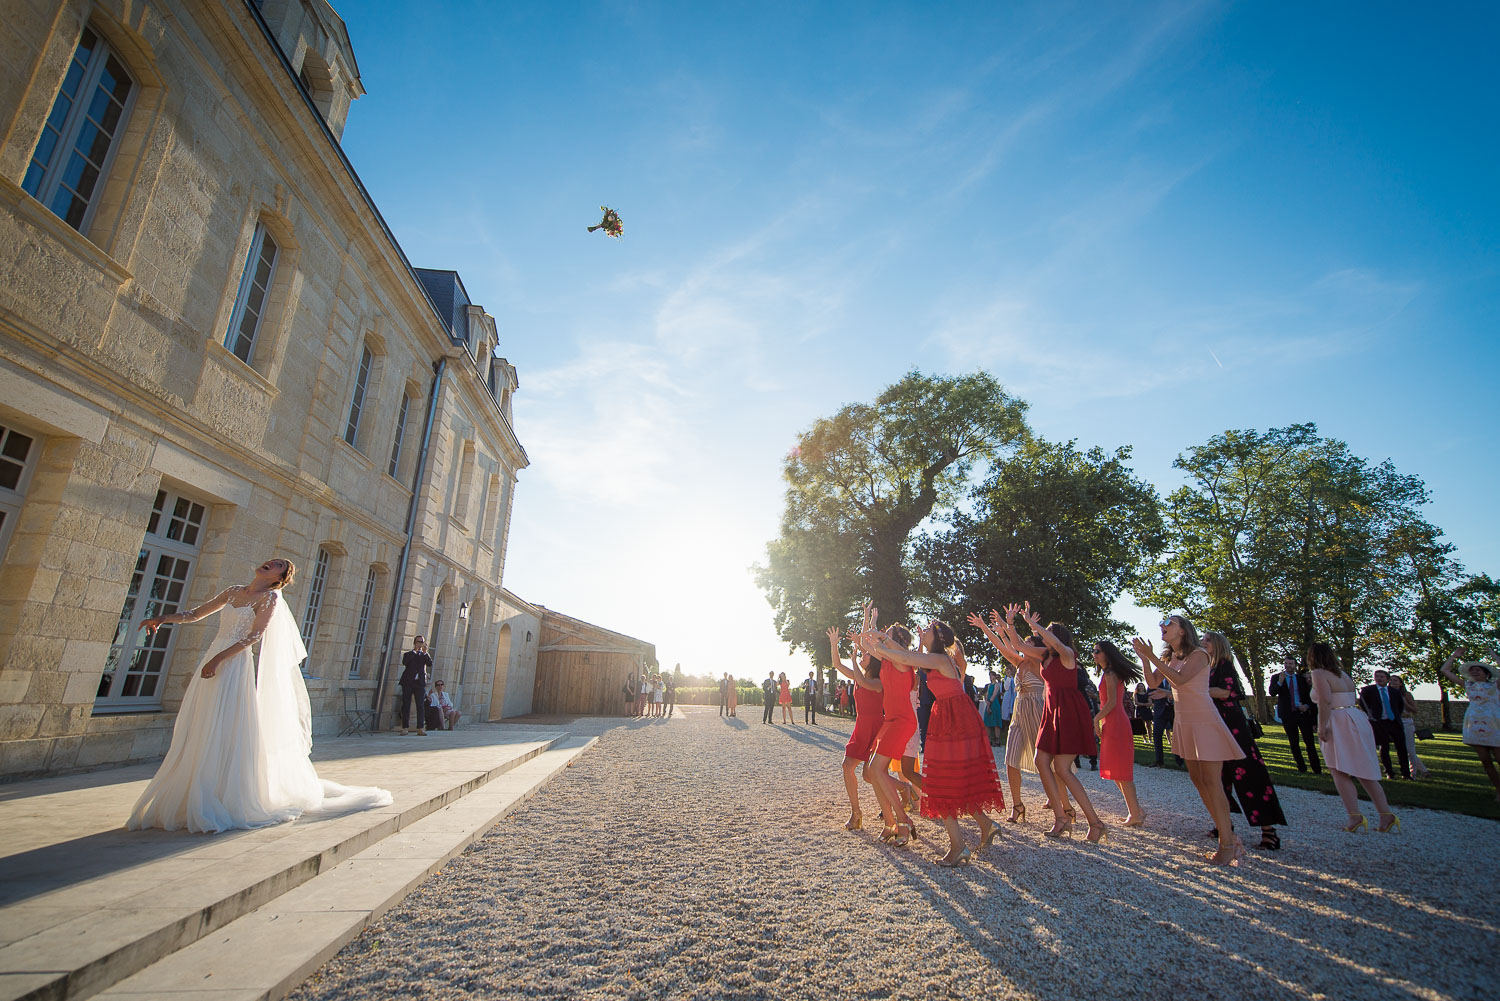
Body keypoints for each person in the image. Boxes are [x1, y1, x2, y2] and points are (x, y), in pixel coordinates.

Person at [129, 559, 392, 832]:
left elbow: (254, 636)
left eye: (277, 565)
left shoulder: (269, 600)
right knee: (202, 721)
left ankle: (226, 793)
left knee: (225, 724)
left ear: (280, 578)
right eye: (271, 560)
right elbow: (196, 614)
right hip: (214, 655)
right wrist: (162, 618)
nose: (270, 563)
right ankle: (197, 788)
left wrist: (218, 659)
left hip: (232, 663)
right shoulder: (232, 591)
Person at [860, 619, 1001, 866]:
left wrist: (880, 644)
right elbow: (905, 654)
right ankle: (986, 825)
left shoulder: (939, 659)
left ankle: (958, 847)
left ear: (936, 637)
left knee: (940, 782)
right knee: (953, 781)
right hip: (949, 716)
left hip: (954, 719)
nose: (922, 632)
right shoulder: (934, 658)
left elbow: (904, 659)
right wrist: (881, 638)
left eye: (927, 630)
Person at [1132, 615, 1245, 866]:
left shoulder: (1199, 654)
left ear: (1182, 631)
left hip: (1203, 720)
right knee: (1198, 779)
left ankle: (1226, 843)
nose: (1163, 626)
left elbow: (1180, 681)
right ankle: (1228, 833)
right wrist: (1144, 658)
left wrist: (1151, 657)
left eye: (1169, 623)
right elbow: (1152, 683)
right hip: (1185, 721)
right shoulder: (1171, 657)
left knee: (1212, 781)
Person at [993, 604, 1106, 843]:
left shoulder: (1067, 655)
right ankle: (1061, 818)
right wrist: (1011, 623)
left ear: (1057, 636)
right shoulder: (1044, 656)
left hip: (1068, 712)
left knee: (1062, 769)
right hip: (1050, 712)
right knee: (1041, 761)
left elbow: (1052, 641)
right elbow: (1018, 646)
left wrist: (1034, 625)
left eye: (1048, 632)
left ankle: (1095, 823)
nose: (1042, 636)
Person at [1203, 632, 1286, 851]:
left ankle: (1269, 831)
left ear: (1218, 645)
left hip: (1232, 727)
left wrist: (1200, 690)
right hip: (1214, 726)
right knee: (1219, 777)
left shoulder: (1224, 666)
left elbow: (1226, 692)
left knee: (1249, 775)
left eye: (1207, 640)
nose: (1203, 642)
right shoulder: (1208, 668)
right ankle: (1224, 825)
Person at [1308, 642, 1399, 832]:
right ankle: (1385, 814)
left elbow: (1325, 701)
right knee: (1363, 769)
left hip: (1338, 720)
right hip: (1356, 717)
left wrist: (1322, 726)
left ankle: (1355, 816)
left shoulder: (1318, 674)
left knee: (1337, 769)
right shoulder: (1343, 674)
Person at [969, 611, 1045, 825]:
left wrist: (1008, 627)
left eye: (1029, 644)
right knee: (1011, 760)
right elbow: (1002, 647)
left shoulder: (1042, 664)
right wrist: (984, 627)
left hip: (1039, 711)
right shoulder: (1019, 664)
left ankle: (1060, 803)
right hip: (1020, 713)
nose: (1024, 647)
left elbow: (1015, 642)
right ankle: (1017, 805)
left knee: (1049, 763)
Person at [828, 626, 885, 831]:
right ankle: (856, 813)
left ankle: (905, 790)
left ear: (874, 661)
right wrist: (834, 644)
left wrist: (854, 656)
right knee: (847, 766)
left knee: (870, 776)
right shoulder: (859, 676)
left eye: (866, 655)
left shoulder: (879, 681)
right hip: (861, 726)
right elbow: (836, 664)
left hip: (876, 727)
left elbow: (862, 680)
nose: (863, 655)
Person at [1092, 641, 1144, 827]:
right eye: (1093, 651)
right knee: (1116, 771)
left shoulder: (1110, 674)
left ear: (1107, 653)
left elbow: (1112, 701)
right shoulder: (1109, 673)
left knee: (1121, 772)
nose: (1094, 654)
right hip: (1113, 722)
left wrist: (1096, 718)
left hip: (1116, 723)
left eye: (1097, 651)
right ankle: (1135, 809)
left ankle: (1135, 813)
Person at [1440, 648, 1500, 802]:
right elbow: (1445, 670)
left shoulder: (1495, 686)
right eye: (1472, 670)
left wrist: (1494, 656)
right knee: (1485, 760)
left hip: (1494, 723)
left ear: (1487, 673)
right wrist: (1453, 656)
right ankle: (1499, 790)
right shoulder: (1468, 685)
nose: (1475, 672)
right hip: (1474, 723)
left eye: (1478, 669)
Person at [1269, 654, 1322, 774]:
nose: (1288, 666)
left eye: (1290, 664)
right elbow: (1272, 692)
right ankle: (1301, 768)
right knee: (1294, 743)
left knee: (1309, 742)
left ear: (1295, 665)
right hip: (1288, 714)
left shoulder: (1301, 678)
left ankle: (1316, 769)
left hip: (1302, 713)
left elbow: (1310, 696)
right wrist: (1280, 682)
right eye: (1286, 663)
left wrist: (1306, 706)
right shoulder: (1277, 677)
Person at [1359, 670, 1410, 780]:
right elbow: (1363, 704)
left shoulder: (1394, 692)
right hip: (1379, 722)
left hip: (1393, 722)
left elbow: (1400, 706)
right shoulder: (1368, 690)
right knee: (1384, 747)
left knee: (1401, 748)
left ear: (1387, 679)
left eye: (1382, 676)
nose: (1379, 678)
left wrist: (1395, 716)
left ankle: (1406, 773)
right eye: (1377, 676)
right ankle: (1389, 772)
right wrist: (1372, 715)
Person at [1386, 676, 1428, 779]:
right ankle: (1424, 770)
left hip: (1406, 721)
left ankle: (1412, 773)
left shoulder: (1406, 695)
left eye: (1395, 680)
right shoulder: (1386, 694)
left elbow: (1415, 709)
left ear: (1401, 683)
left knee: (1409, 749)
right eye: (1390, 680)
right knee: (1400, 748)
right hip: (1393, 722)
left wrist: (1403, 701)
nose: (1392, 682)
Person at [398, 635, 431, 736]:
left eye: (421, 642)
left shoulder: (424, 655)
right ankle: (405, 727)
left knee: (420, 705)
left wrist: (425, 653)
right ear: (414, 643)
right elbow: (405, 662)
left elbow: (429, 663)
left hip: (419, 683)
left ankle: (420, 728)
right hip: (408, 682)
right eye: (418, 642)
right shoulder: (409, 654)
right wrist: (415, 652)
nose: (420, 644)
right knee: (406, 705)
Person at [982, 669, 1006, 746]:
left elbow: (994, 694)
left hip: (994, 704)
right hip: (989, 703)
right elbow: (987, 694)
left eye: (992, 675)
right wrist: (986, 701)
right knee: (987, 722)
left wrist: (990, 703)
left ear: (994, 676)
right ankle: (989, 739)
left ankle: (997, 739)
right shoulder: (989, 685)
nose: (990, 677)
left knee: (996, 722)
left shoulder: (997, 685)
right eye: (990, 676)